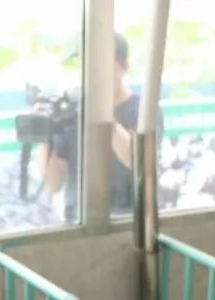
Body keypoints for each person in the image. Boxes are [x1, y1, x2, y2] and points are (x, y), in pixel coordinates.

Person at [42, 32, 156, 221]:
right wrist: (45, 135)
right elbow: (52, 185)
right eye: (85, 64)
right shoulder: (73, 110)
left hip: (127, 223)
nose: (91, 72)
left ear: (123, 67)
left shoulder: (144, 110)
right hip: (78, 223)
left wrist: (102, 113)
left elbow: (138, 162)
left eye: (99, 64)